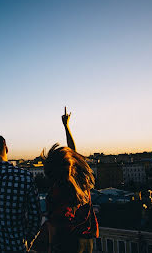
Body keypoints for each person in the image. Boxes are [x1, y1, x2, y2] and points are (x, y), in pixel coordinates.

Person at [0, 107, 42, 253]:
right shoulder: (25, 177)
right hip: (17, 246)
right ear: (6, 148)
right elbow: (35, 216)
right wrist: (28, 239)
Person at [43, 107, 98, 253]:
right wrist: (67, 126)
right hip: (87, 241)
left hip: (67, 243)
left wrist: (50, 247)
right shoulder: (81, 181)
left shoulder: (56, 193)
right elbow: (74, 153)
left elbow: (55, 225)